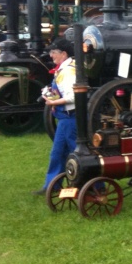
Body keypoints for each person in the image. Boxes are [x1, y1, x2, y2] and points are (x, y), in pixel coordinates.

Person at [34, 38, 77, 195]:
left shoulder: (68, 71)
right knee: (58, 153)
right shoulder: (64, 69)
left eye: (54, 52)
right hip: (66, 119)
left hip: (71, 118)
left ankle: (94, 186)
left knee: (78, 153)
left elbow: (73, 97)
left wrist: (53, 102)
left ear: (64, 54)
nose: (51, 55)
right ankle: (52, 186)